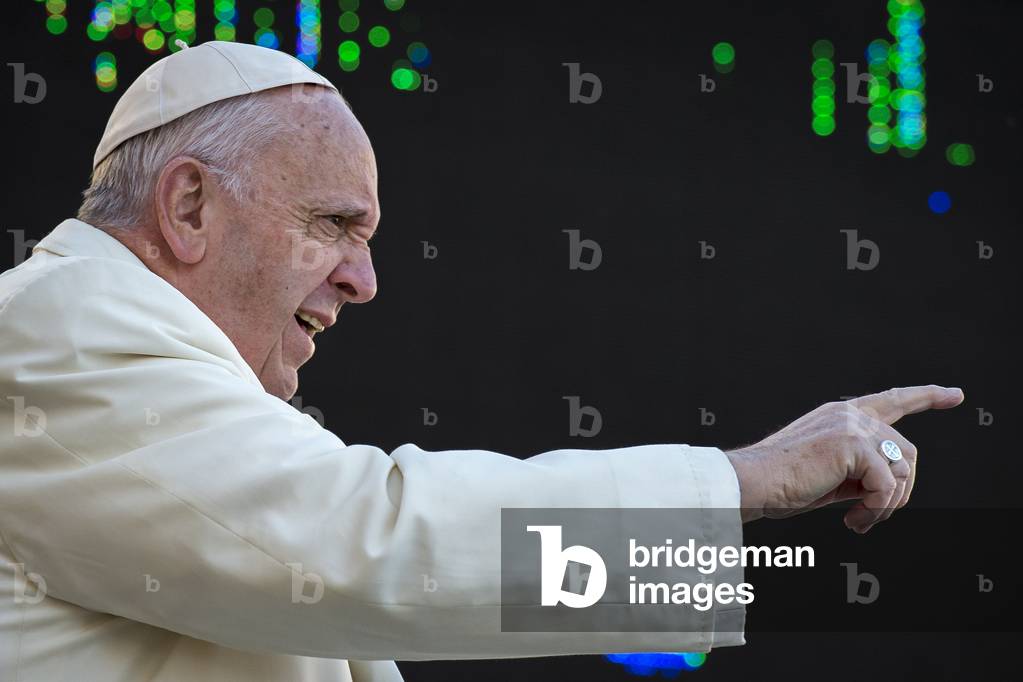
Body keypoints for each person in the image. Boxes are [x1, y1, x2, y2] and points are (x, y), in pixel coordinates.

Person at [0, 41, 964, 682]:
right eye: (333, 225)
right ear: (189, 208)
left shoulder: (140, 357)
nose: (365, 280)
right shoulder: (57, 331)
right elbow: (352, 549)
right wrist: (737, 483)